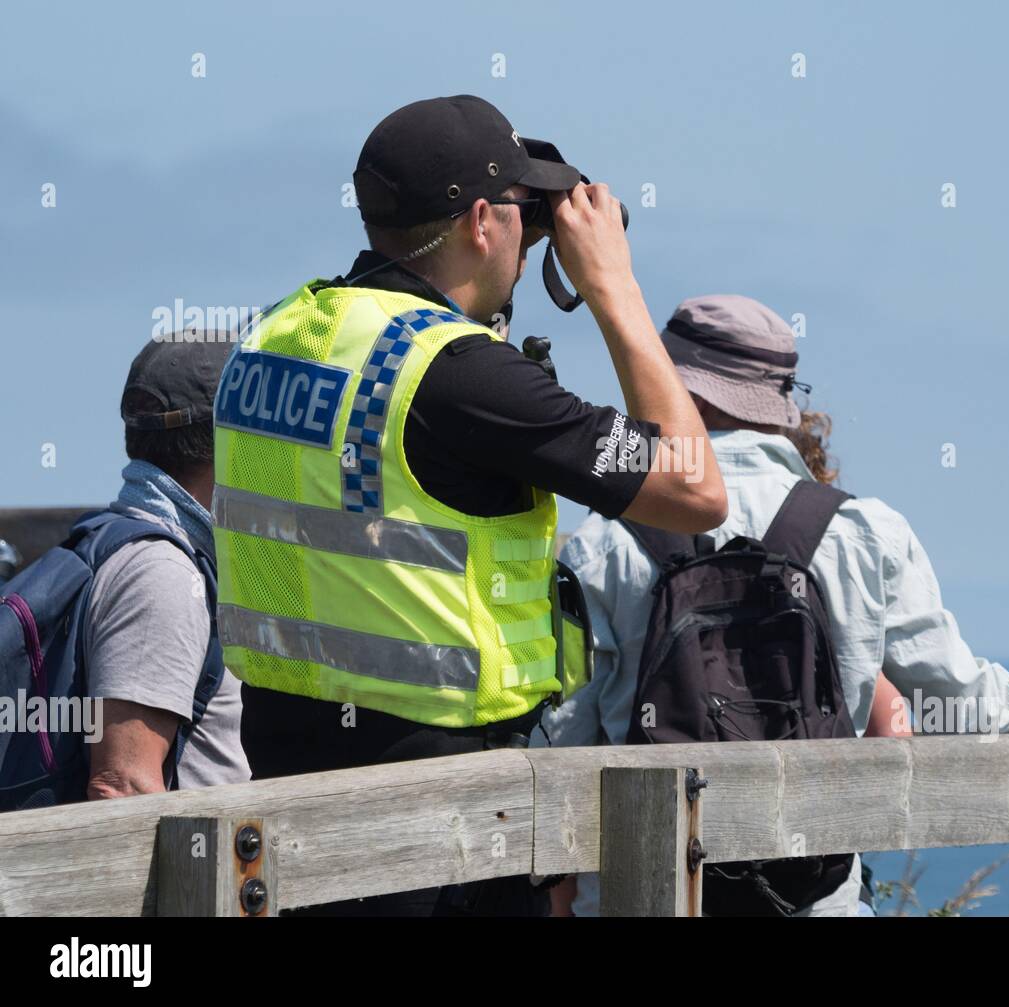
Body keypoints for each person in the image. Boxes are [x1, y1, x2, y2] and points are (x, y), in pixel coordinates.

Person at [214, 95, 726, 915]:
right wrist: (614, 288)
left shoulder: (271, 337)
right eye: (528, 214)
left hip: (285, 815)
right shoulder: (459, 374)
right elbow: (696, 488)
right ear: (481, 221)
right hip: (444, 832)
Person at [539, 294, 1009, 917]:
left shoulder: (603, 544)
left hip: (645, 901)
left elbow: (562, 742)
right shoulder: (864, 532)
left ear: (687, 396)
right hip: (815, 901)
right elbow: (953, 698)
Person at [86, 333, 251, 798]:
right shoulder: (164, 575)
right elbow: (122, 786)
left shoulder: (139, 544)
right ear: (230, 442)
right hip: (188, 870)